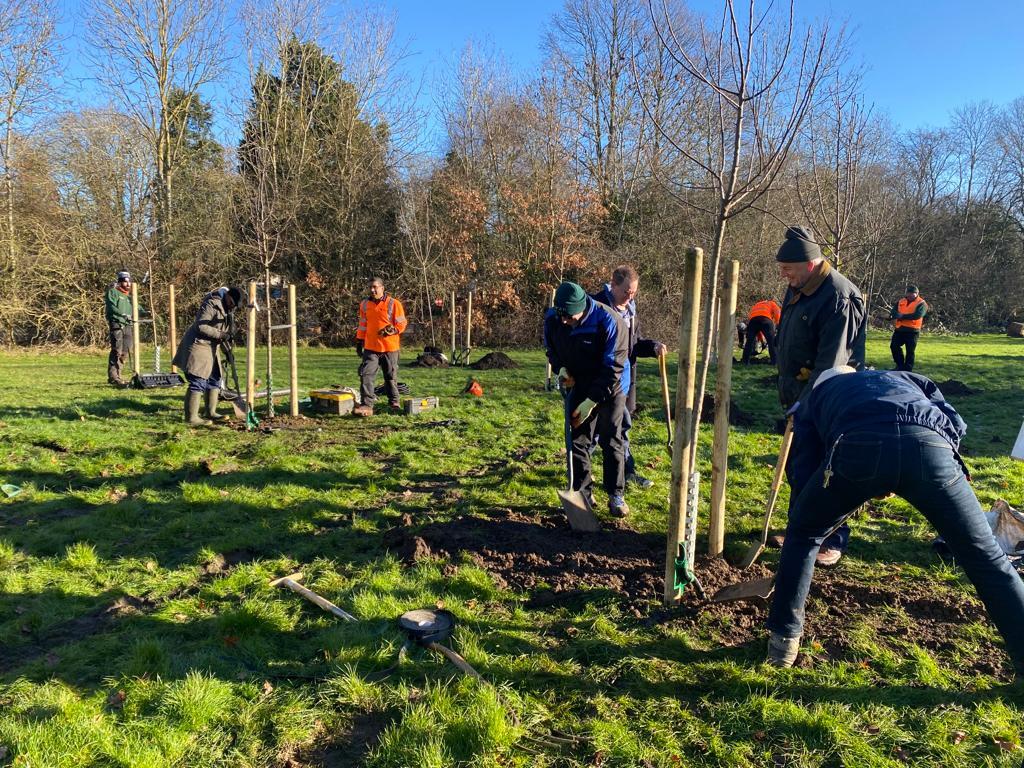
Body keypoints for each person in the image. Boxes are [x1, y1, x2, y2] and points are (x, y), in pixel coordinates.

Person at [765, 365, 1024, 675]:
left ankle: (783, 643)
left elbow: (805, 464)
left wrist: (808, 516)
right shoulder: (906, 378)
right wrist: (947, 457)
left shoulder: (817, 397)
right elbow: (954, 419)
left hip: (858, 447)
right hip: (931, 449)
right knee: (986, 555)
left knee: (804, 537)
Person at [775, 225, 867, 566]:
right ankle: (801, 529)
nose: (783, 275)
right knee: (799, 468)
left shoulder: (838, 297)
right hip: (798, 394)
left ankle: (832, 539)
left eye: (789, 269)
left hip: (828, 399)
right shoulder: (798, 286)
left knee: (826, 471)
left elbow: (832, 363)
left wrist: (807, 403)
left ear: (811, 263)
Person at [544, 281, 631, 518]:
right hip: (579, 382)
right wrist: (560, 368)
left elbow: (613, 368)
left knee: (611, 439)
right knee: (578, 440)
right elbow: (551, 349)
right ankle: (583, 492)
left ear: (583, 308)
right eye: (562, 317)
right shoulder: (554, 319)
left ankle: (616, 495)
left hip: (610, 385)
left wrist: (592, 401)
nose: (565, 322)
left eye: (570, 318)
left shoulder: (610, 322)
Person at [591, 265, 667, 489]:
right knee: (593, 431)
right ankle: (580, 476)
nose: (630, 296)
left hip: (623, 381)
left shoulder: (630, 311)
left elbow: (633, 345)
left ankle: (626, 473)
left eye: (634, 292)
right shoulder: (596, 306)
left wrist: (653, 347)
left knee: (621, 428)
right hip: (599, 379)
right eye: (626, 291)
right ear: (612, 284)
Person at [172, 286, 242, 426]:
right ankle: (191, 418)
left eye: (234, 306)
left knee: (215, 378)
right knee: (198, 381)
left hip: (211, 348)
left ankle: (210, 412)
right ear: (227, 296)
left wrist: (228, 353)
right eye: (231, 303)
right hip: (198, 345)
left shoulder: (228, 311)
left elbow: (223, 335)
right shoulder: (211, 303)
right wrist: (222, 335)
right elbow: (201, 326)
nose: (232, 307)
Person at [353, 277, 407, 416]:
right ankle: (367, 405)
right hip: (371, 347)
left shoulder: (394, 304)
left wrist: (393, 330)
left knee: (390, 376)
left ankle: (394, 402)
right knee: (366, 374)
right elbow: (363, 324)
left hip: (390, 347)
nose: (372, 290)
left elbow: (402, 323)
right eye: (370, 287)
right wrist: (359, 341)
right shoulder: (364, 304)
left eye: (375, 287)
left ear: (382, 288)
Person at [104, 271, 134, 386]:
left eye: (129, 281)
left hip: (127, 325)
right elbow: (111, 307)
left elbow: (136, 307)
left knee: (125, 351)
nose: (128, 284)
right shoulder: (113, 292)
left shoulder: (128, 297)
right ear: (120, 282)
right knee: (117, 350)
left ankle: (119, 375)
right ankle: (113, 377)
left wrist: (145, 312)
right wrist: (122, 314)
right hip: (117, 324)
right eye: (125, 281)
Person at [890, 284, 927, 371]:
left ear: (917, 293)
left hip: (913, 331)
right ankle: (899, 365)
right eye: (908, 293)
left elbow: (917, 315)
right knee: (894, 346)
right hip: (900, 329)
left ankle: (908, 369)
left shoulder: (922, 303)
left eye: (912, 293)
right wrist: (894, 315)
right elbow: (893, 311)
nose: (910, 295)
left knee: (910, 351)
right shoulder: (901, 301)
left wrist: (901, 316)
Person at [741, 299, 781, 364]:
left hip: (753, 321)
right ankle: (774, 362)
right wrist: (778, 324)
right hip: (766, 320)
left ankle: (745, 362)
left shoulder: (757, 305)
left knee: (749, 342)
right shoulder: (772, 303)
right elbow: (777, 312)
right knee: (771, 342)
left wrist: (762, 342)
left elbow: (758, 331)